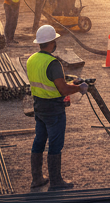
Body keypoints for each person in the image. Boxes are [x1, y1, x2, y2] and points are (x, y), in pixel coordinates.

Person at [26, 24, 89, 190]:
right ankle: (56, 182)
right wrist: (79, 88)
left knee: (39, 140)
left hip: (39, 107)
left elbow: (50, 83)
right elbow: (62, 89)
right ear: (52, 42)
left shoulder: (32, 59)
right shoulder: (53, 63)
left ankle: (37, 178)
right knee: (55, 144)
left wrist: (71, 83)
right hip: (54, 109)